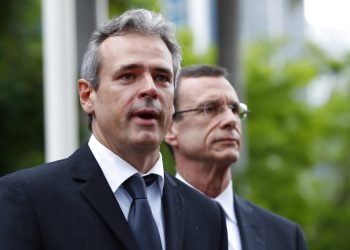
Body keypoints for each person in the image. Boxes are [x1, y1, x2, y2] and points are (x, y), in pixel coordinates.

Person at [0, 10, 228, 250]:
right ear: (87, 95)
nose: (150, 89)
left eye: (161, 77)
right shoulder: (27, 199)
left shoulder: (208, 216)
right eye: (128, 76)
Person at [165, 64, 308, 250]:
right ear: (169, 128)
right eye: (209, 108)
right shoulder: (150, 221)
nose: (231, 120)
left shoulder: (286, 237)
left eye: (234, 109)